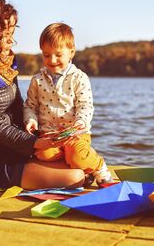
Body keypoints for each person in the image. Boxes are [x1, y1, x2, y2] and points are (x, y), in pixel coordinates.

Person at [0, 0, 85, 190]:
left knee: (80, 162)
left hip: (18, 148)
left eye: (12, 31)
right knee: (75, 178)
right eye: (5, 33)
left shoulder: (2, 62)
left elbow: (18, 105)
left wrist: (44, 132)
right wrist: (35, 143)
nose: (11, 39)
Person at [23, 23, 113, 186]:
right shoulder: (37, 80)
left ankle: (99, 168)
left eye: (58, 54)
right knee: (43, 155)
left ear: (71, 52)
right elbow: (30, 106)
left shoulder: (79, 78)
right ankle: (81, 175)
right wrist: (31, 120)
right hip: (49, 135)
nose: (52, 60)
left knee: (76, 155)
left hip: (75, 134)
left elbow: (85, 105)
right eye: (46, 55)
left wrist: (81, 122)